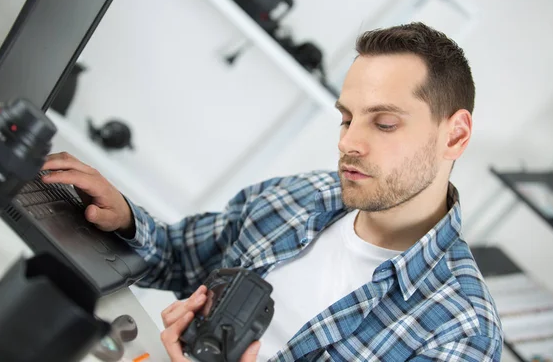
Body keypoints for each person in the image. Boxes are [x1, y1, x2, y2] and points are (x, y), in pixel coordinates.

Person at [42, 22, 503, 361]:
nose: (348, 143)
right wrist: (122, 215)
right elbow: (176, 256)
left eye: (384, 123)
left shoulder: (461, 333)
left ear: (455, 136)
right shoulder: (297, 197)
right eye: (346, 118)